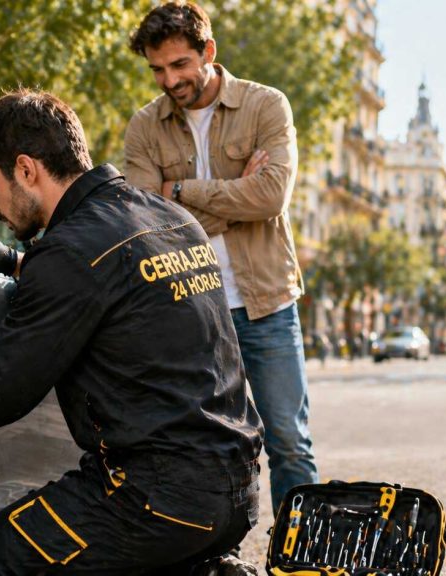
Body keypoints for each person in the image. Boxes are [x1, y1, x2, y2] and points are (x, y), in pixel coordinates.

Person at [0, 89, 262, 575]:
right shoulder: (171, 219)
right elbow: (118, 286)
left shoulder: (68, 252)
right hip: (236, 488)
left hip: (150, 500)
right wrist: (17, 263)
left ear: (26, 169)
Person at [124, 0, 318, 513]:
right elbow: (147, 224)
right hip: (189, 310)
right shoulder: (144, 127)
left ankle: (299, 560)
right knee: (203, 449)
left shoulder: (266, 105)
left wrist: (180, 190)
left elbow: (272, 197)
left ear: (208, 50)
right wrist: (237, 194)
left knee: (289, 444)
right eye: (158, 70)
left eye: (179, 64)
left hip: (267, 303)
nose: (169, 80)